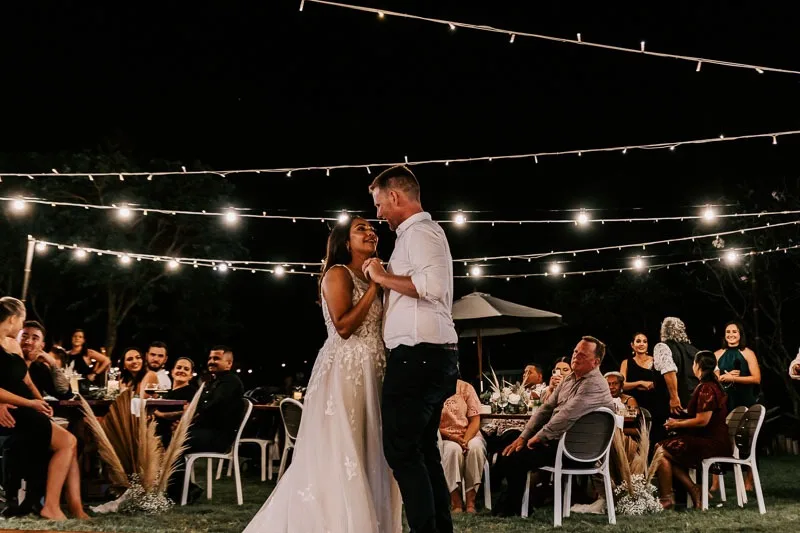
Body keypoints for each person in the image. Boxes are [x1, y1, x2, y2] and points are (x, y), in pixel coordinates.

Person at [243, 218, 401, 533]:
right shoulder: (337, 274)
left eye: (372, 228)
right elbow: (343, 327)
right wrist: (375, 286)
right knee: (344, 447)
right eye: (361, 229)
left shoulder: (375, 274)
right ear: (345, 242)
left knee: (373, 448)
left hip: (376, 368)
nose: (371, 231)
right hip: (346, 369)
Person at [364, 165, 459, 533]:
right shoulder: (412, 237)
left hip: (420, 356)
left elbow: (431, 285)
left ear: (395, 196)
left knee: (401, 451)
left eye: (378, 204)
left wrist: (381, 276)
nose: (378, 213)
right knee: (422, 452)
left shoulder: (421, 233)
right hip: (429, 356)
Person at [493, 336, 615, 516]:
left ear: (596, 362)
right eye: (575, 352)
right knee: (510, 442)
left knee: (516, 456)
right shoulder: (569, 379)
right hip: (559, 442)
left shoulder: (594, 384)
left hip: (577, 451)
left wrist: (537, 437)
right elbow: (546, 408)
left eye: (582, 354)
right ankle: (514, 505)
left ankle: (511, 506)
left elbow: (566, 415)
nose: (576, 356)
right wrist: (523, 436)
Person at [0, 297, 89, 521]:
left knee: (69, 442)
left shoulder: (11, 343)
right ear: (12, 319)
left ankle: (71, 507)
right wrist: (29, 404)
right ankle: (50, 506)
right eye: (21, 323)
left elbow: (26, 380)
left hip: (24, 406)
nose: (23, 329)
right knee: (68, 442)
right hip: (15, 408)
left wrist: (40, 402)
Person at [167, 346, 245, 503]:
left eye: (216, 359)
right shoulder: (215, 381)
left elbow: (209, 407)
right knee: (169, 435)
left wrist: (191, 415)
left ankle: (180, 492)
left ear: (229, 363)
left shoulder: (230, 382)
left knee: (176, 441)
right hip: (207, 432)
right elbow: (202, 407)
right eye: (210, 358)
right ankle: (182, 489)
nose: (211, 362)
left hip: (219, 437)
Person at [655, 350, 731, 510]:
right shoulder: (711, 385)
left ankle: (669, 497)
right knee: (663, 452)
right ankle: (690, 490)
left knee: (660, 450)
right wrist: (682, 416)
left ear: (698, 366)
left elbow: (702, 421)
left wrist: (676, 424)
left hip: (712, 443)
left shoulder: (706, 388)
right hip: (710, 439)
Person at [438, 379, 486, 514]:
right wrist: (452, 437)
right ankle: (456, 501)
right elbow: (428, 423)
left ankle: (471, 501)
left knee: (475, 448)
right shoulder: (431, 386)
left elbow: (475, 420)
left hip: (469, 434)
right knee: (452, 450)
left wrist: (465, 440)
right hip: (445, 436)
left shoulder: (465, 387)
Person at [653, 317, 699, 416]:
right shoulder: (694, 350)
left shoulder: (662, 347)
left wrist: (674, 397)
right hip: (694, 400)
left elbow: (669, 371)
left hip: (674, 403)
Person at [17, 320, 71, 399]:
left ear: (42, 346)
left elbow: (64, 393)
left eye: (34, 338)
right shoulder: (5, 360)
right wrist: (28, 362)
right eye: (24, 336)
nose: (28, 341)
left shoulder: (39, 368)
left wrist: (53, 364)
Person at [154, 357, 198, 447]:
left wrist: (158, 414)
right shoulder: (166, 392)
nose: (181, 371)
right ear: (172, 372)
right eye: (179, 367)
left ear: (191, 375)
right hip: (154, 437)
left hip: (171, 440)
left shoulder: (192, 392)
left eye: (186, 369)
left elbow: (191, 413)